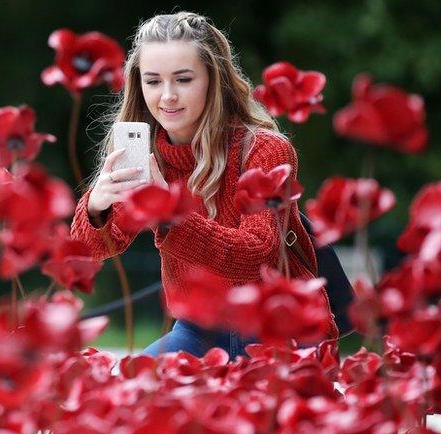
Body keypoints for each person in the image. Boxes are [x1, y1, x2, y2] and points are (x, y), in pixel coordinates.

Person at [70, 11, 338, 358]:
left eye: (183, 79)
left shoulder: (264, 149)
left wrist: (170, 214)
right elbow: (85, 255)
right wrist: (96, 208)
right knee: (130, 396)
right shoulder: (146, 154)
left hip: (279, 327)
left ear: (214, 79)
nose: (167, 96)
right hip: (196, 331)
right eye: (152, 81)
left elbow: (256, 255)